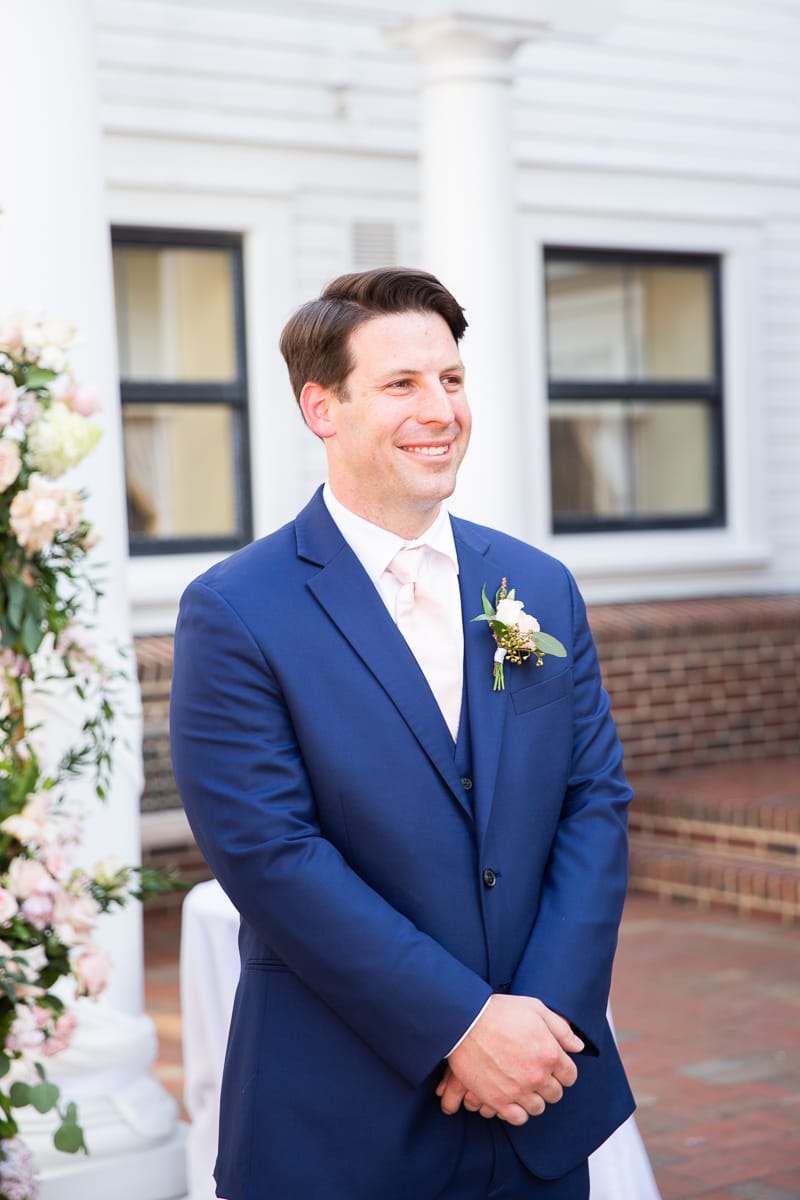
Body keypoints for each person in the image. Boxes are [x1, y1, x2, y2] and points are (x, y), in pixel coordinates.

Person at [169, 267, 635, 1200]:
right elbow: (271, 855)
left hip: (536, 1103)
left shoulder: (536, 587)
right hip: (341, 1119)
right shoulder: (235, 609)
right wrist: (465, 1029)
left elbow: (594, 804)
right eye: (402, 384)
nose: (441, 409)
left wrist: (536, 1024)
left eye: (452, 380)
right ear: (321, 407)